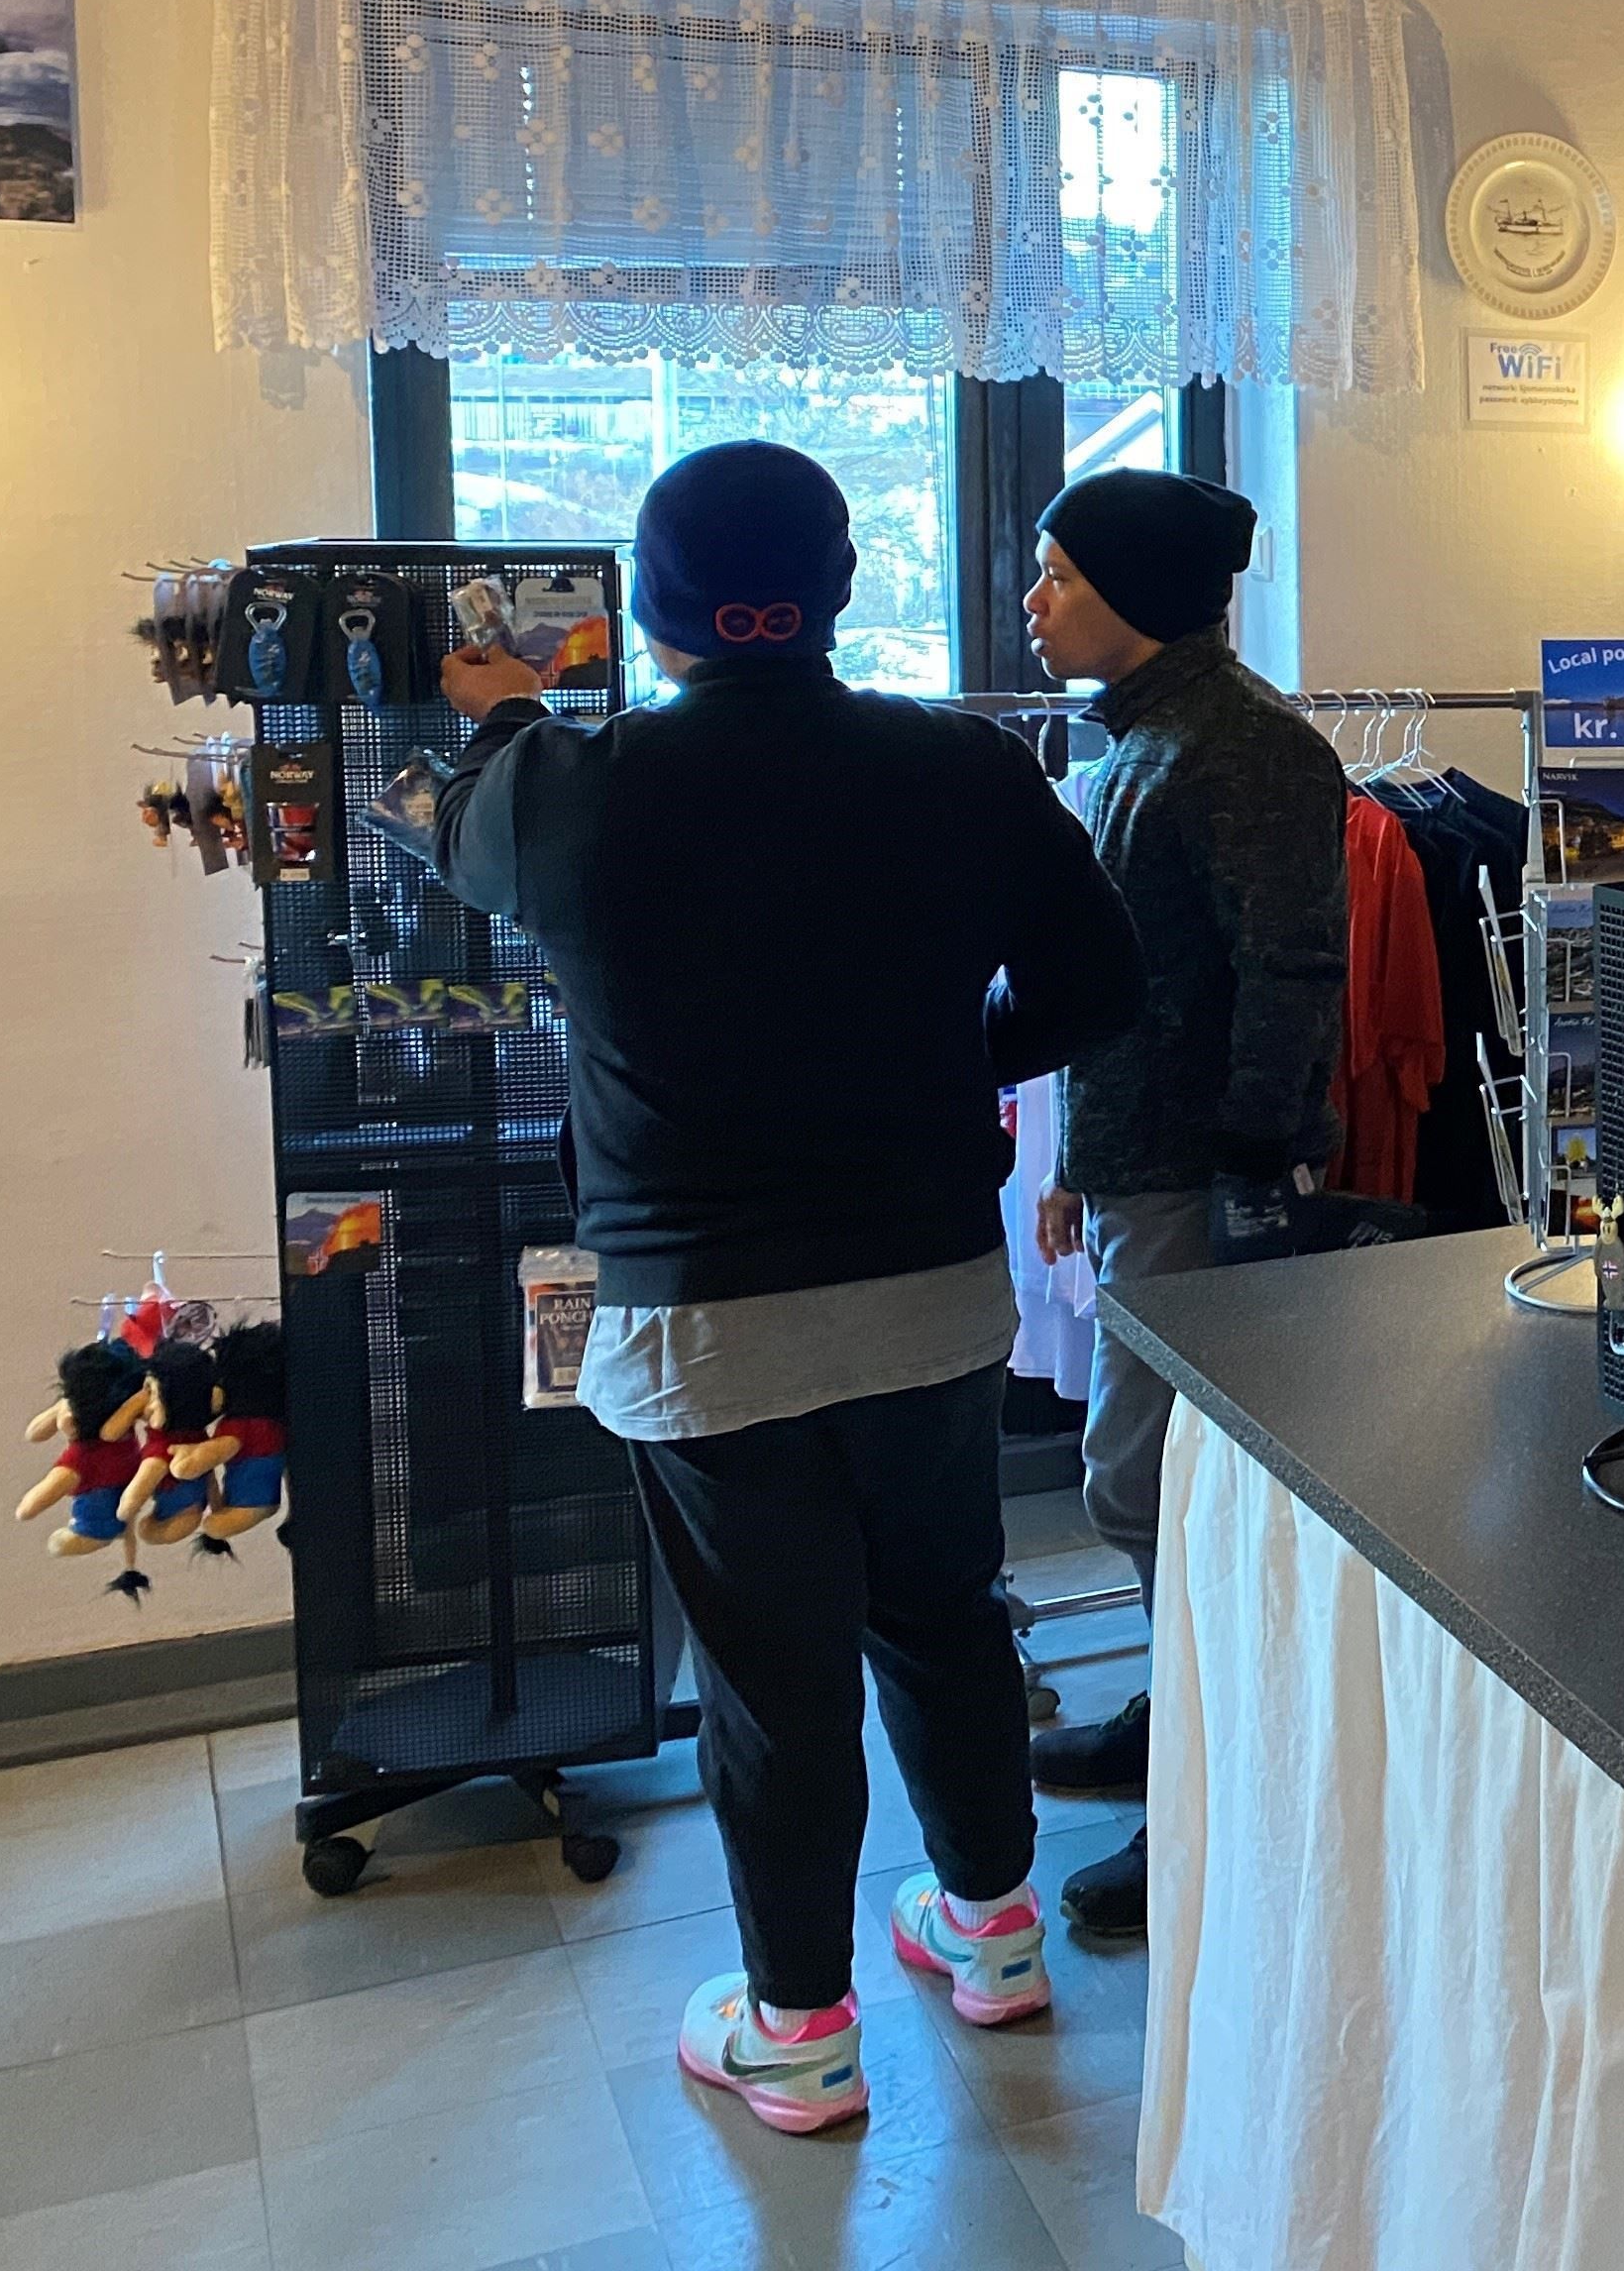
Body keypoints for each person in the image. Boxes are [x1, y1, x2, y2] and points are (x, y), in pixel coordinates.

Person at [435, 442, 1144, 2134]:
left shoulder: (569, 784)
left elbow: (467, 836)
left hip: (702, 1318)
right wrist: (959, 1057)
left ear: (653, 611)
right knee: (947, 1612)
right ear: (838, 587)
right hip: (929, 1282)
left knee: (772, 1675)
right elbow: (1099, 984)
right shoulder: (959, 765)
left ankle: (800, 2025)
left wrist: (502, 705)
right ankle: (992, 1930)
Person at [1019, 467, 1349, 1939]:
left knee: (1163, 1488)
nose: (1035, 603)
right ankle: (1177, 1720)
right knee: (1149, 1483)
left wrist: (1248, 1171)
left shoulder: (1251, 749)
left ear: (1139, 593)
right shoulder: (1144, 737)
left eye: (1061, 575)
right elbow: (1121, 983)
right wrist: (1074, 1163)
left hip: (1206, 1183)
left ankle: (1218, 1800)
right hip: (1140, 1165)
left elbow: (1294, 973)